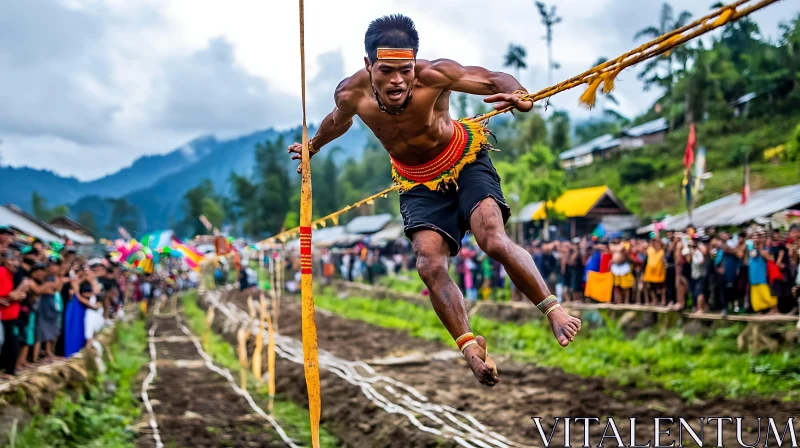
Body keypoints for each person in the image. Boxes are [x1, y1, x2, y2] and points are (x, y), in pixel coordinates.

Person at [288, 14, 580, 386]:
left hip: (464, 159)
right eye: (386, 71)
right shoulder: (350, 94)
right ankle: (471, 348)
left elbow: (494, 79)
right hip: (416, 181)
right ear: (368, 66)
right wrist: (313, 146)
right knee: (428, 263)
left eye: (405, 70)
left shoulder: (436, 75)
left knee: (491, 238)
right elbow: (337, 121)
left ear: (415, 65)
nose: (397, 81)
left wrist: (520, 96)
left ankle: (552, 309)